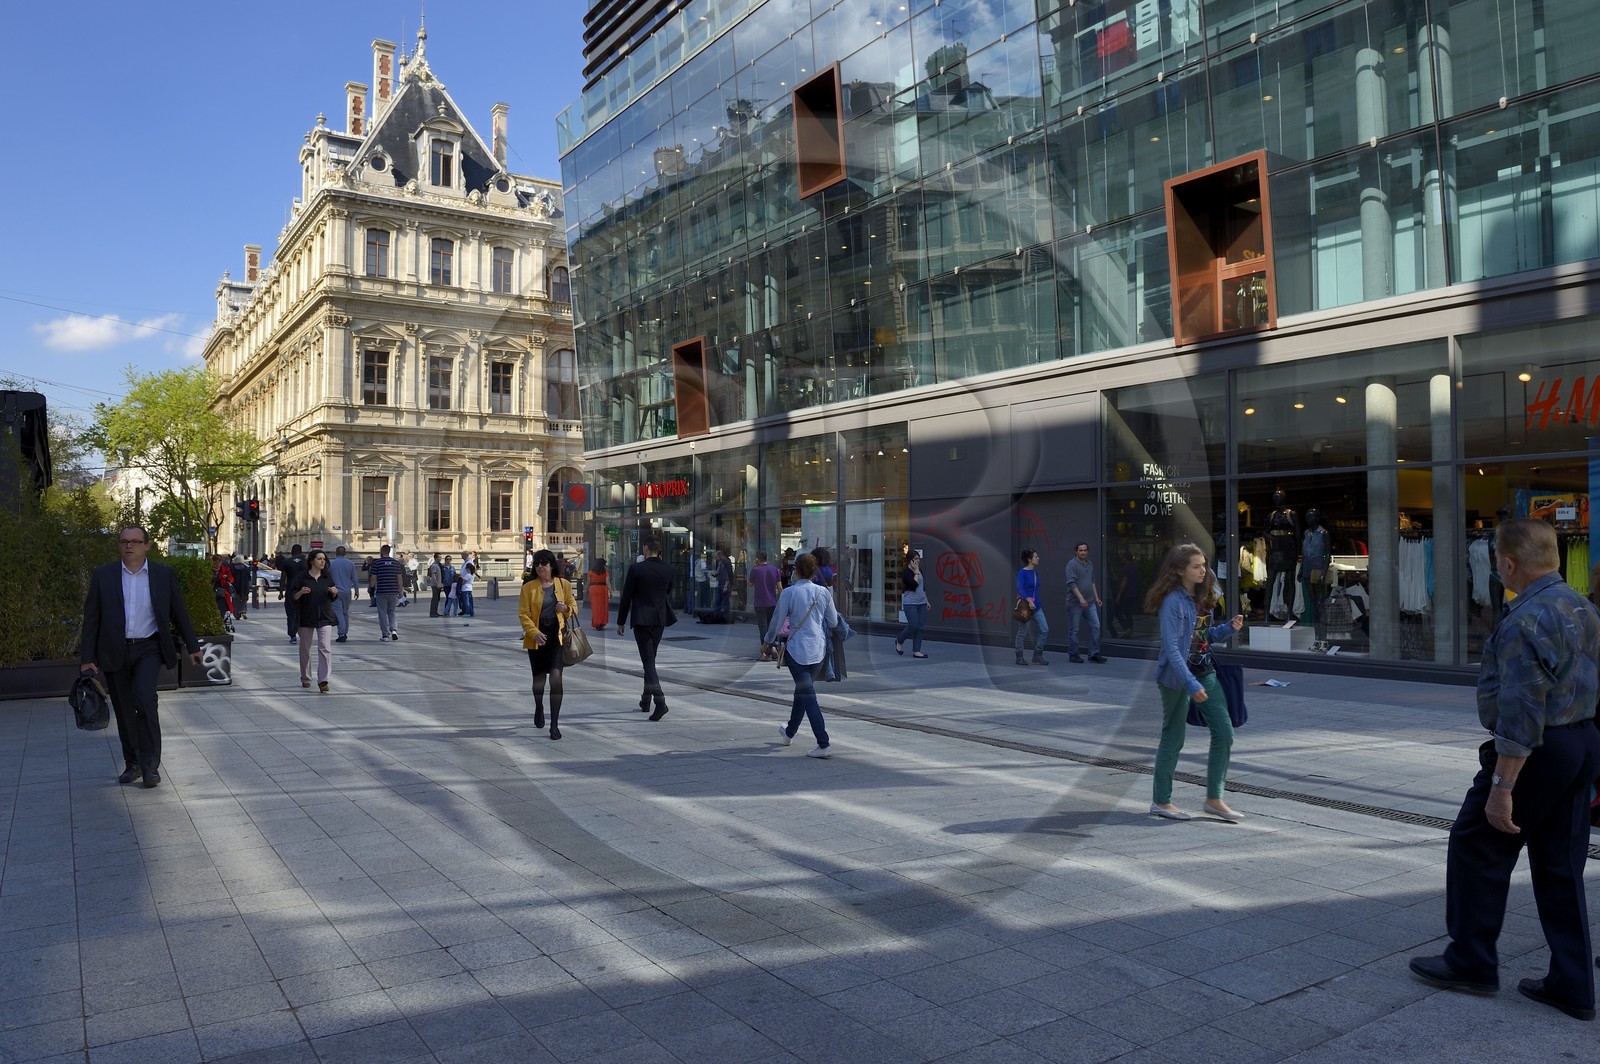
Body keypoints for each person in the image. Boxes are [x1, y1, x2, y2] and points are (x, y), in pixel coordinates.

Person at [1409, 519, 1600, 1020]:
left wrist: (1502, 785)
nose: (1497, 567)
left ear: (1509, 563)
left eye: (1497, 559)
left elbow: (1521, 710)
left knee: (1477, 843)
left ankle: (1471, 960)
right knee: (1561, 868)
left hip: (1539, 750)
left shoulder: (1524, 620)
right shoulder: (1584, 607)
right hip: (1582, 742)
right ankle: (1573, 984)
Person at [79, 526, 203, 788]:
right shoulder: (104, 575)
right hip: (114, 650)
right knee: (124, 709)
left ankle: (150, 767)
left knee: (146, 701)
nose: (129, 546)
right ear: (119, 545)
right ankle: (132, 764)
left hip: (149, 648)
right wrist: (87, 657)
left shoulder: (162, 574)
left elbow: (178, 612)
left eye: (135, 542)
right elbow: (91, 619)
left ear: (147, 545)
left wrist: (193, 647)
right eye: (124, 541)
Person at [1146, 543, 1246, 822]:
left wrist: (1227, 629)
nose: (1204, 570)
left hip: (1204, 671)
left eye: (1204, 564)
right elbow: (1172, 650)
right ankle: (1161, 801)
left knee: (1225, 732)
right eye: (1197, 566)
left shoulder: (1201, 597)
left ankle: (1214, 798)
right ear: (1180, 571)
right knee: (1174, 737)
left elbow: (1203, 637)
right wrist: (1190, 684)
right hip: (1176, 678)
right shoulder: (1172, 602)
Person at [763, 553, 838, 759]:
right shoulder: (823, 592)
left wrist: (768, 642)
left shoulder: (789, 593)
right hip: (818, 650)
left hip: (797, 650)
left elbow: (777, 622)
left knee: (808, 695)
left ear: (795, 570)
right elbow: (833, 622)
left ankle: (823, 743)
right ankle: (788, 733)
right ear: (814, 571)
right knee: (803, 692)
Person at [520, 549, 578, 740]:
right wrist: (534, 633)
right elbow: (524, 614)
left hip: (556, 637)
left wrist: (566, 608)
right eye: (537, 564)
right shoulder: (528, 587)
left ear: (551, 565)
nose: (539, 567)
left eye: (543, 563)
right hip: (537, 638)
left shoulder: (564, 584)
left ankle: (554, 725)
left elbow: (573, 608)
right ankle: (539, 707)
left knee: (555, 679)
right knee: (538, 682)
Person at [616, 537, 677, 720]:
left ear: (645, 548)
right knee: (650, 659)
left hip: (642, 619)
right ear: (659, 550)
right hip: (659, 619)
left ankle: (660, 701)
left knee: (648, 662)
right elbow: (668, 592)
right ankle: (646, 700)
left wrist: (621, 621)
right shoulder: (668, 569)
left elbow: (626, 596)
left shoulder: (636, 569)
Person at [290, 549, 339, 692]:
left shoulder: (327, 578)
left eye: (324, 559)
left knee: (325, 648)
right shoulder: (302, 577)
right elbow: (292, 596)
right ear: (312, 561)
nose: (322, 561)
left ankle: (323, 680)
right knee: (305, 649)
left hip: (325, 616)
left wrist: (334, 593)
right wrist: (300, 592)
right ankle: (305, 678)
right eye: (319, 559)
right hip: (306, 616)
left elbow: (332, 596)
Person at [1064, 542, 1107, 664]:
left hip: (1090, 603)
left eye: (1085, 550)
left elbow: (1092, 581)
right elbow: (1071, 583)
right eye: (1080, 550)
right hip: (1074, 604)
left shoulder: (1090, 564)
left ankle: (1094, 653)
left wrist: (1096, 597)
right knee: (1074, 630)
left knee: (1096, 626)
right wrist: (1081, 598)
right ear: (1076, 551)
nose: (1083, 553)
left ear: (1087, 551)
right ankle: (1073, 654)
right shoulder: (1071, 565)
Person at [1014, 549, 1048, 666]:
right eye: (1036, 556)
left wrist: (1034, 602)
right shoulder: (1022, 573)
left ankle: (1037, 655)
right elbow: (1020, 589)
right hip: (1025, 606)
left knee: (1044, 629)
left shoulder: (1034, 572)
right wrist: (1029, 600)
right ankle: (1019, 657)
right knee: (1022, 632)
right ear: (1029, 559)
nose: (1038, 558)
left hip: (1036, 605)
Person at [364, 545, 405, 640]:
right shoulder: (396, 563)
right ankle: (394, 630)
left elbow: (373, 577)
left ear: (381, 552)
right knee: (391, 611)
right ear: (389, 551)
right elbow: (399, 577)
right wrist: (401, 590)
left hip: (382, 591)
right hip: (393, 590)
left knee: (382, 612)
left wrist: (372, 588)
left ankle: (385, 634)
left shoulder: (377, 563)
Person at [895, 550, 929, 658]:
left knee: (920, 627)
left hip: (922, 602)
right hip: (910, 603)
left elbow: (922, 587)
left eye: (919, 559)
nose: (918, 561)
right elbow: (914, 585)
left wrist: (927, 600)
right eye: (916, 559)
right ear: (910, 560)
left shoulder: (920, 570)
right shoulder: (906, 572)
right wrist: (915, 572)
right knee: (913, 625)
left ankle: (916, 651)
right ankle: (899, 640)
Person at [748, 551, 781, 658]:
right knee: (772, 626)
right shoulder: (775, 570)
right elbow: (780, 588)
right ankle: (774, 647)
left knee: (763, 628)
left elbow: (750, 584)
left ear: (757, 559)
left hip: (760, 603)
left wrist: (754, 567)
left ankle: (765, 652)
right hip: (772, 602)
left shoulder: (755, 570)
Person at [328, 546, 358, 643]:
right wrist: (356, 590)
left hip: (335, 591)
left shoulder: (331, 564)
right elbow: (354, 578)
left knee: (338, 612)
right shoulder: (350, 563)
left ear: (336, 553)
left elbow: (327, 578)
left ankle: (341, 633)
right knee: (345, 613)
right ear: (345, 553)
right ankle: (345, 632)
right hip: (347, 591)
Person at [277, 545, 305, 643]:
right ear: (301, 552)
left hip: (290, 590)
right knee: (302, 613)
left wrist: (281, 592)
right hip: (303, 591)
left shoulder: (287, 562)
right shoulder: (305, 562)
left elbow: (283, 578)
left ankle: (292, 635)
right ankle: (303, 633)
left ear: (292, 552)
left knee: (291, 614)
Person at [588, 558, 611, 630]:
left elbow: (588, 582)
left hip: (594, 589)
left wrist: (586, 589)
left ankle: (596, 622)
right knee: (603, 607)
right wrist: (611, 591)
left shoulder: (591, 572)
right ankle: (602, 622)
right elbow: (607, 582)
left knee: (595, 607)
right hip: (603, 589)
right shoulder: (605, 572)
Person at [228, 555, 251, 620]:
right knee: (244, 599)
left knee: (236, 601)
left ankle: (237, 614)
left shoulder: (232, 568)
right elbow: (249, 578)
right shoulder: (246, 568)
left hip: (235, 587)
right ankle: (243, 611)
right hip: (244, 587)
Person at [715, 548, 733, 619]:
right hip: (721, 582)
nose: (716, 559)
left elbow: (729, 574)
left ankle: (726, 617)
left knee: (725, 601)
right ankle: (718, 616)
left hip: (724, 583)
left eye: (717, 557)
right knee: (718, 600)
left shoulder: (726, 562)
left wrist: (726, 585)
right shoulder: (721, 562)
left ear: (720, 556)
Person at [426, 552, 444, 616]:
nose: (440, 559)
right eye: (439, 557)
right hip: (435, 585)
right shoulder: (434, 566)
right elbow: (433, 575)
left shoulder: (439, 565)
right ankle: (433, 612)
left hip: (438, 584)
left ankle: (435, 611)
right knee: (435, 598)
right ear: (436, 558)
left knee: (437, 599)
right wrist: (437, 584)